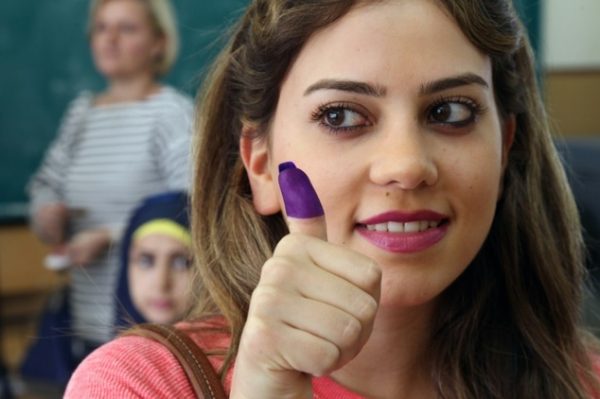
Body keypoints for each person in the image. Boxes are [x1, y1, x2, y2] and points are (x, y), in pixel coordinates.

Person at [65, 0, 600, 398]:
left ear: (505, 148)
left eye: (451, 112)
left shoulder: (585, 380)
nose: (406, 166)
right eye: (341, 116)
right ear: (260, 162)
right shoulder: (139, 384)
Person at [26, 0, 193, 363]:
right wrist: (46, 213)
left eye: (126, 28)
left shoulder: (171, 114)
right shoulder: (81, 114)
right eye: (101, 28)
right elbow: (45, 184)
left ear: (158, 43)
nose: (109, 39)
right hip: (84, 318)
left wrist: (111, 236)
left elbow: (192, 207)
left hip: (150, 319)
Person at [115, 190, 194, 328]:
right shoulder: (113, 348)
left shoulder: (238, 349)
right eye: (145, 261)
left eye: (181, 263)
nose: (161, 284)